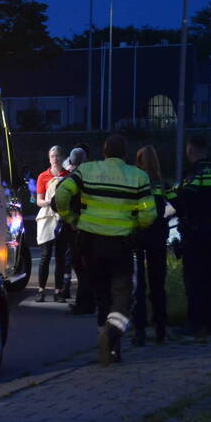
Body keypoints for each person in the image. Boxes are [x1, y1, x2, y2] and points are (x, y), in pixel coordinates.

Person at [55, 134, 156, 366]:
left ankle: (105, 340)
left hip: (91, 243)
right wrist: (135, 223)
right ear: (126, 154)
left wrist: (72, 218)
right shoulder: (138, 177)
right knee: (122, 297)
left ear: (104, 152)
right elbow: (148, 213)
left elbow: (61, 194)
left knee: (101, 296)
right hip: (120, 246)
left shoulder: (87, 171)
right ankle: (112, 337)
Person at [168, 136, 211, 337]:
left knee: (194, 279)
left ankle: (195, 324)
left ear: (190, 151)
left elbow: (183, 199)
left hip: (194, 231)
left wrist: (168, 193)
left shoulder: (193, 174)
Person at [131, 145, 170, 345]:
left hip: (138, 238)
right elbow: (175, 205)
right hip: (158, 239)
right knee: (158, 285)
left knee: (138, 286)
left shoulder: (135, 182)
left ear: (139, 162)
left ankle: (140, 331)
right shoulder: (162, 184)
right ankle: (161, 329)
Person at [59, 144, 94, 315]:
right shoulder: (94, 179)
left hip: (75, 231)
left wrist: (70, 219)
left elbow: (56, 201)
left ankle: (83, 304)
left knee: (80, 267)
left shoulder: (71, 180)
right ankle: (88, 302)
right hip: (93, 229)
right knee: (88, 268)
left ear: (71, 162)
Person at [34, 146, 69, 302]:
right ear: (49, 159)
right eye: (52, 156)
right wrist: (48, 202)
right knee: (45, 255)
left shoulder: (68, 176)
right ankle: (41, 290)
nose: (55, 158)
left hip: (62, 219)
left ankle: (58, 291)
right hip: (47, 217)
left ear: (63, 157)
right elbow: (38, 200)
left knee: (60, 256)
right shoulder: (43, 176)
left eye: (57, 155)